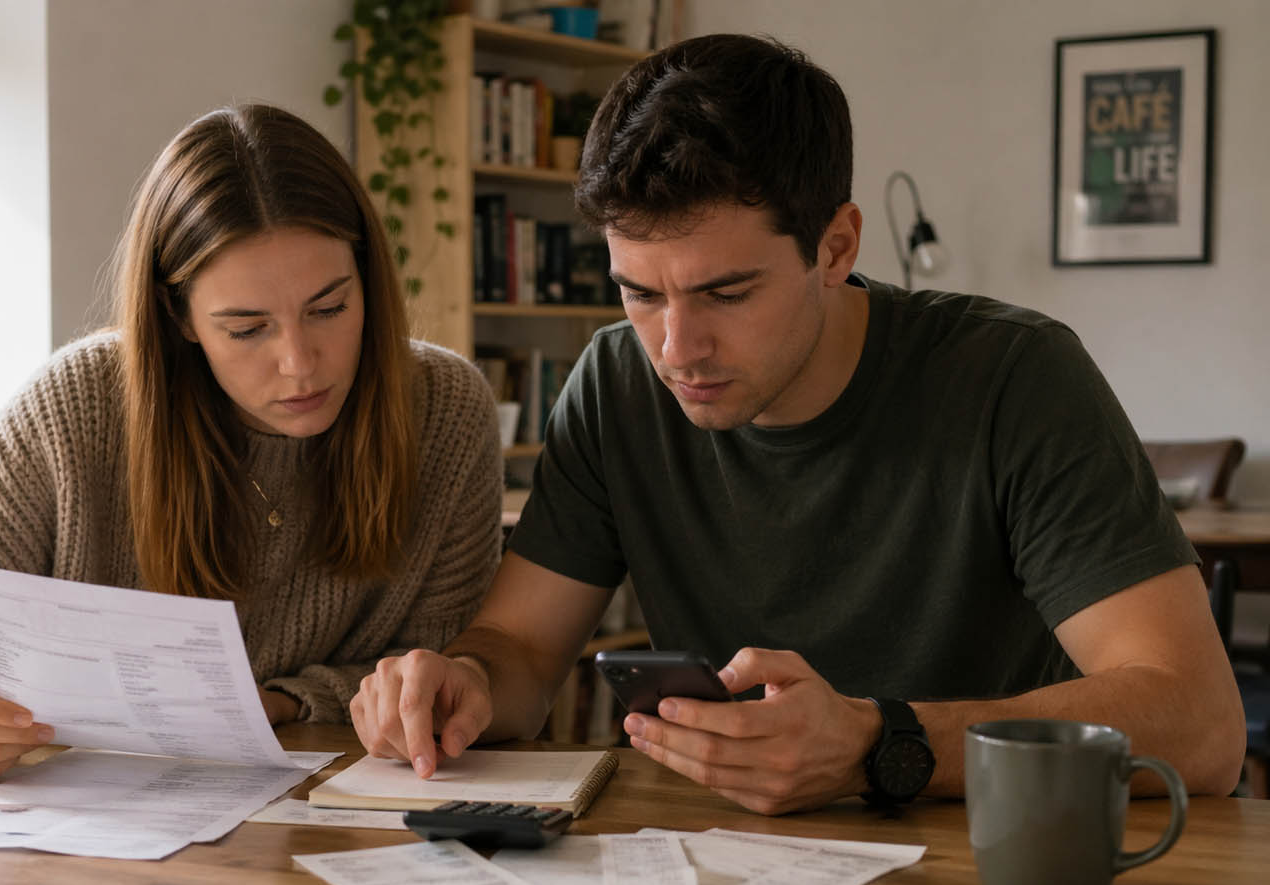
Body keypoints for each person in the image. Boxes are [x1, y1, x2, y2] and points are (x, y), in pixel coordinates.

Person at [351, 34, 1246, 814]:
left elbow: (1200, 726)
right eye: (638, 292)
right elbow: (520, 647)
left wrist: (876, 743)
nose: (676, 347)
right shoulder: (614, 382)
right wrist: (461, 681)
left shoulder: (1015, 376)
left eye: (726, 292)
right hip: (724, 864)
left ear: (837, 247)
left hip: (993, 856)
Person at [0, 104, 503, 782]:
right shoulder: (79, 406)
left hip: (340, 840)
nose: (300, 361)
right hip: (91, 859)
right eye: (247, 327)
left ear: (368, 281)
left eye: (329, 307)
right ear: (180, 317)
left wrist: (287, 701)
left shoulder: (444, 410)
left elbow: (444, 669)